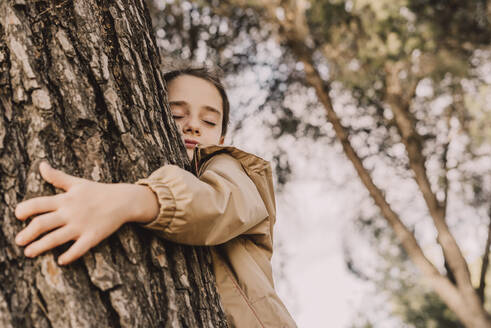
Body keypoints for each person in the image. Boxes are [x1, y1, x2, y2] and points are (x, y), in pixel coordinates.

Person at [14, 65, 296, 327]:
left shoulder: (233, 169)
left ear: (222, 138)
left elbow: (217, 202)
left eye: (209, 121)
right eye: (176, 115)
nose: (193, 126)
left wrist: (128, 201)